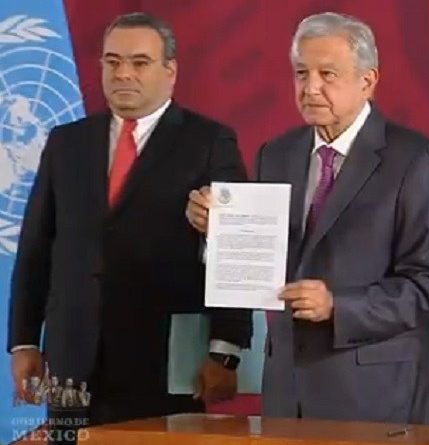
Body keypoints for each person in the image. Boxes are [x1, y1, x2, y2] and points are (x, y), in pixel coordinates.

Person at [186, 12, 429, 425]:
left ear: (368, 81)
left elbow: (427, 285)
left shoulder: (416, 160)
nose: (310, 88)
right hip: (286, 389)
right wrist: (218, 232)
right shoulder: (276, 154)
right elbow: (263, 259)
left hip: (375, 394)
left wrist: (337, 306)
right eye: (301, 73)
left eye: (327, 74)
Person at [8, 12, 252, 425]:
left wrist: (225, 351)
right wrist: (25, 341)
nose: (123, 74)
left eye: (139, 62)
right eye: (113, 61)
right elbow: (36, 247)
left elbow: (235, 250)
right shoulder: (66, 142)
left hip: (164, 363)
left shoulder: (209, 141)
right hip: (71, 361)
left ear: (170, 71)